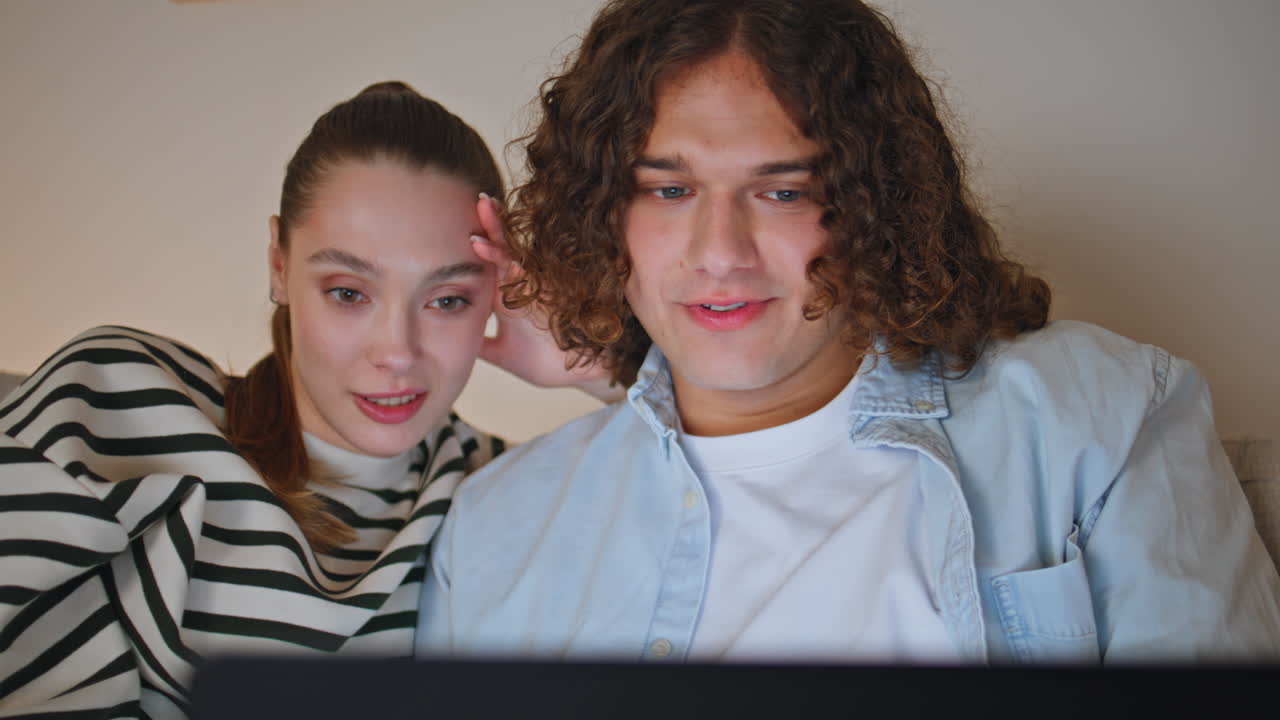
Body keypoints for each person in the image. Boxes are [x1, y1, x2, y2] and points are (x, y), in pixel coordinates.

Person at [418, 0, 1280, 663]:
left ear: (875, 206)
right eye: (668, 189)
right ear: (603, 212)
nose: (719, 254)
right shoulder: (498, 529)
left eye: (784, 190)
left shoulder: (1104, 420)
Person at [0, 81, 612, 718]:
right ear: (278, 266)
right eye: (348, 292)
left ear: (495, 297)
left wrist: (593, 370)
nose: (397, 352)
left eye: (448, 299)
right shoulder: (117, 397)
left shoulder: (499, 492)